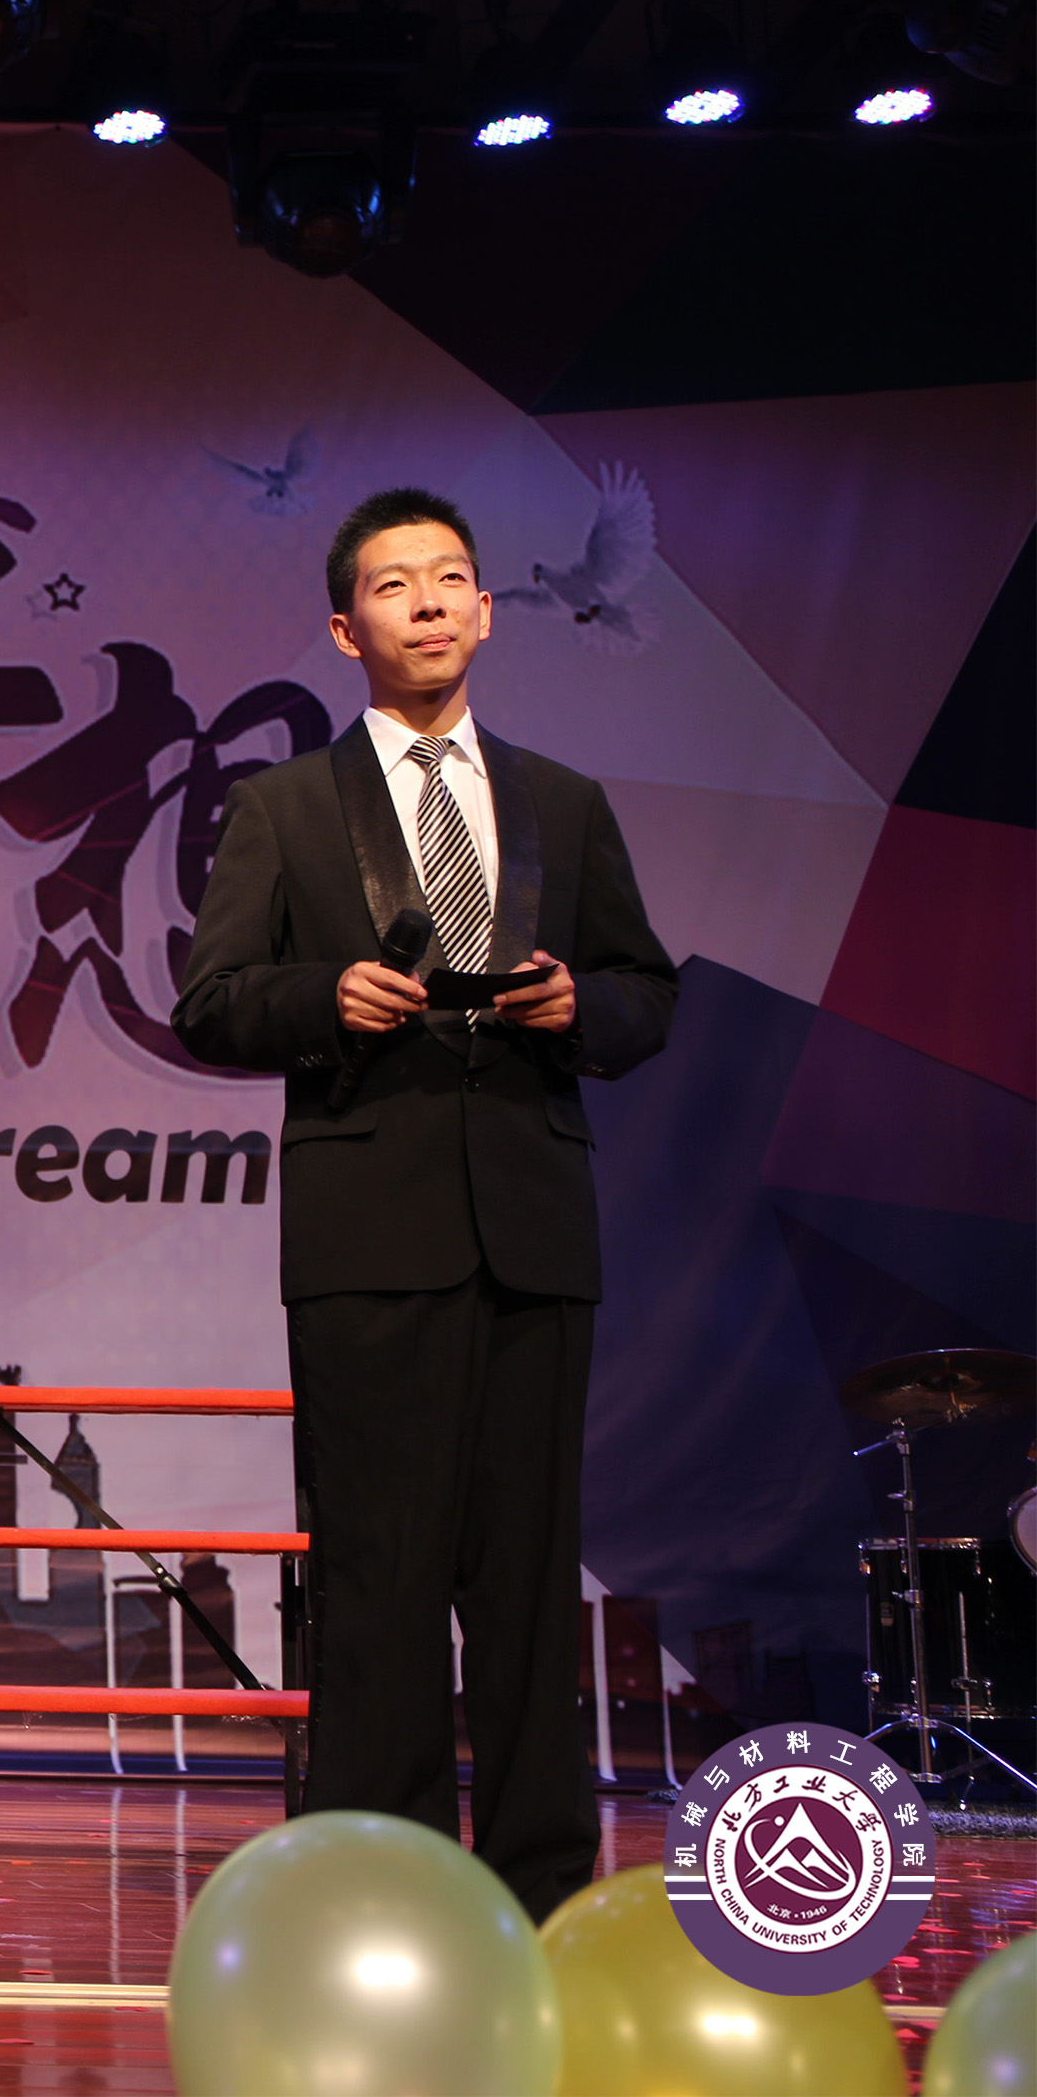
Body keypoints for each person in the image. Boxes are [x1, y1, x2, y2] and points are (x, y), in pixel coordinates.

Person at [174, 487, 678, 1923]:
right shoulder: (282, 805)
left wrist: (582, 1007)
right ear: (348, 628)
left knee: (525, 1583)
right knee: (380, 1579)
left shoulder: (563, 800)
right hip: (367, 1233)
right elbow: (211, 1000)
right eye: (396, 585)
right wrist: (322, 997)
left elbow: (648, 991)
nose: (431, 602)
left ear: (488, 611)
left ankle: (538, 1898)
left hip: (532, 1227)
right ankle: (380, 1896)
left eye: (451, 578)